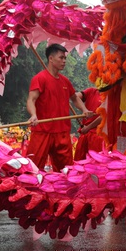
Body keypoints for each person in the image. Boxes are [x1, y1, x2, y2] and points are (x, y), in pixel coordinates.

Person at [26, 44, 94, 172]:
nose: (64, 61)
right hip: (42, 131)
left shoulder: (65, 81)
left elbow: (75, 98)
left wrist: (84, 110)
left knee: (66, 170)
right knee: (33, 169)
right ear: (51, 59)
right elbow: (31, 100)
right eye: (61, 58)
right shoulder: (40, 79)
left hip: (62, 132)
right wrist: (33, 115)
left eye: (65, 58)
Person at [73, 87, 103, 161]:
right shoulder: (92, 91)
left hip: (99, 136)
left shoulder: (111, 94)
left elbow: (105, 115)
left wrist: (88, 127)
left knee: (95, 163)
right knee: (79, 163)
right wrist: (84, 110)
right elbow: (75, 97)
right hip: (85, 135)